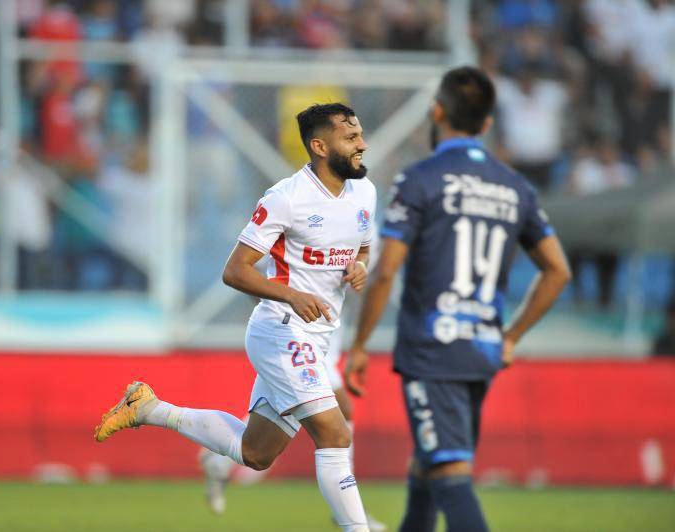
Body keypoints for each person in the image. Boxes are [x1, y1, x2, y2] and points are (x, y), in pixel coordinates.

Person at [95, 103, 376, 531]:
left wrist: (359, 266)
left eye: (359, 135)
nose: (362, 145)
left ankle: (149, 408)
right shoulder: (287, 198)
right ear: (320, 146)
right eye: (351, 138)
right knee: (336, 433)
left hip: (318, 338)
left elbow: (362, 247)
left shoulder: (364, 193)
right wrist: (291, 295)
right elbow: (235, 270)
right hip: (281, 331)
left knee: (255, 454)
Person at [345, 67, 571, 532]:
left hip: (434, 349)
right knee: (429, 463)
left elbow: (387, 269)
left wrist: (361, 345)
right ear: (487, 124)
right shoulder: (515, 187)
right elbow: (558, 270)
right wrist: (512, 336)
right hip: (482, 349)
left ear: (438, 112)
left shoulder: (421, 179)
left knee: (449, 471)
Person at [197, 236, 388, 532]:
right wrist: (281, 301)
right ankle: (350, 514)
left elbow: (366, 263)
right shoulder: (296, 209)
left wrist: (358, 267)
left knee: (260, 450)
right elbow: (245, 270)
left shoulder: (361, 210)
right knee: (337, 416)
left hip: (328, 333)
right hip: (298, 333)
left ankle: (219, 457)